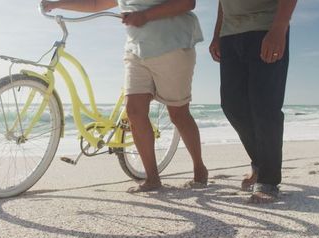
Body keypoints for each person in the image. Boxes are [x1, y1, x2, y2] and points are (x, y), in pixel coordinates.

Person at [42, 0, 208, 192]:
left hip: (172, 46)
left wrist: (145, 15)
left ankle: (199, 168)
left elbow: (187, 2)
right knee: (134, 111)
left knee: (178, 113)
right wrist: (56, 4)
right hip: (136, 50)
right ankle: (152, 178)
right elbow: (96, 4)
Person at [209, 0, 297, 203]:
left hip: (265, 28)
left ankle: (268, 181)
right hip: (230, 35)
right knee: (232, 105)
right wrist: (217, 35)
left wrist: (278, 29)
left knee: (265, 106)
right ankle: (261, 163)